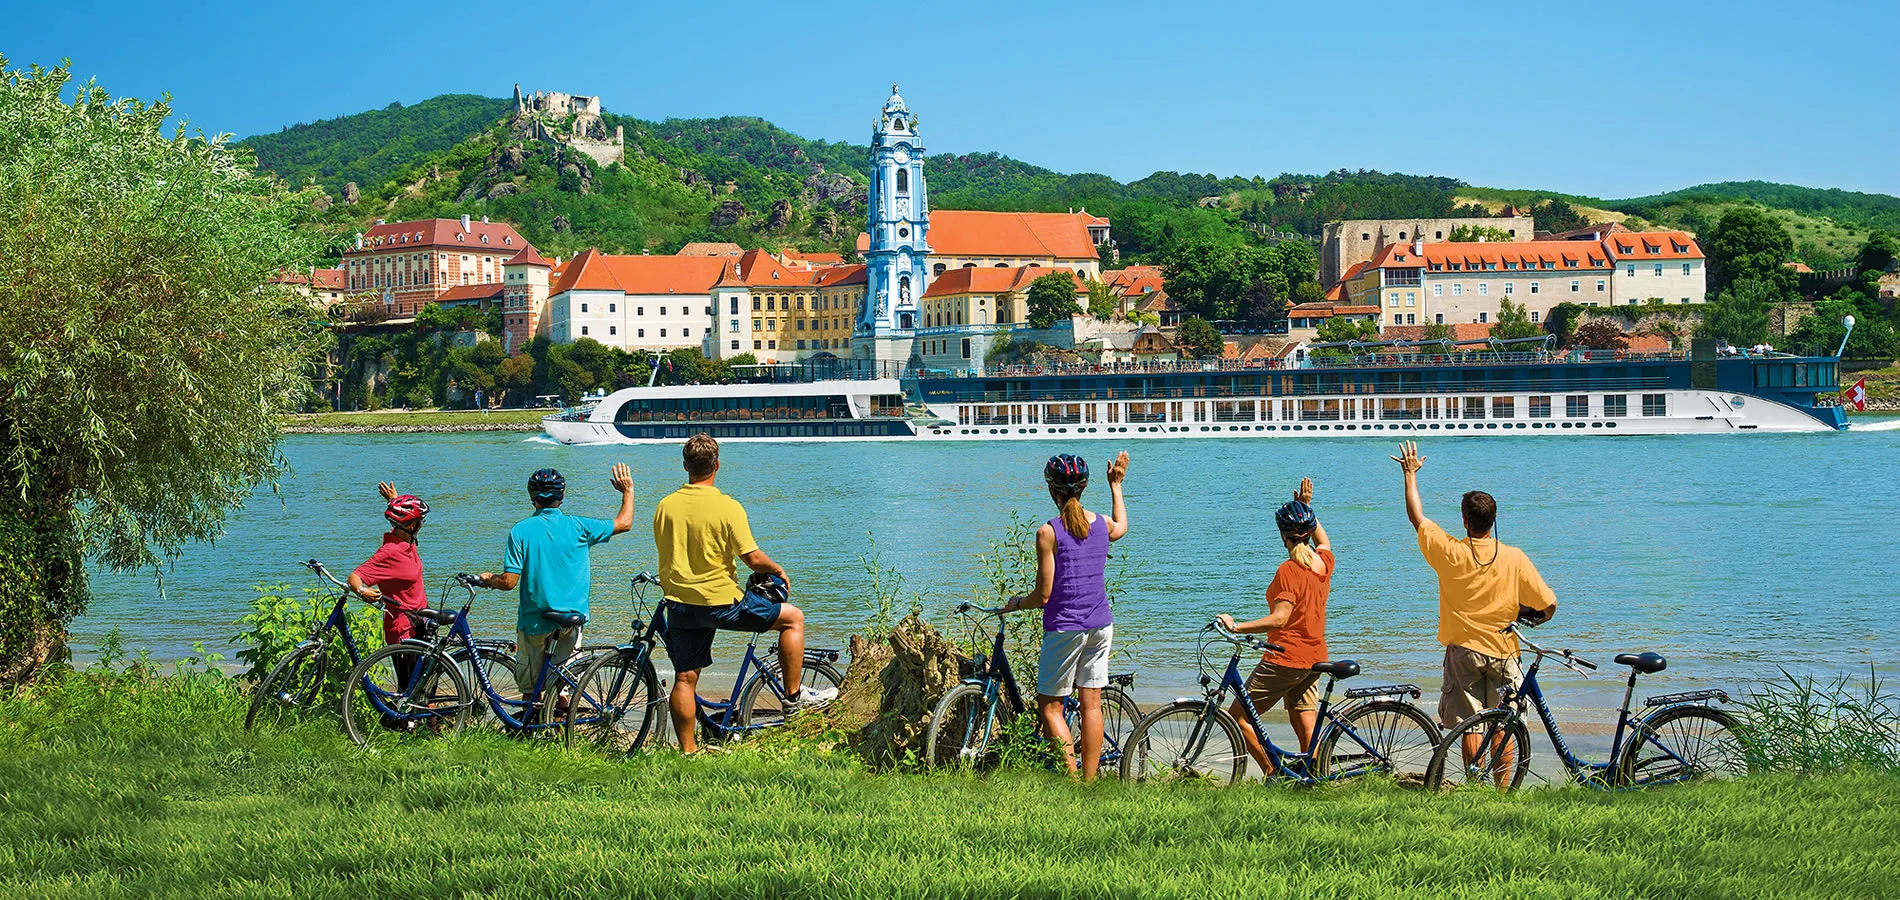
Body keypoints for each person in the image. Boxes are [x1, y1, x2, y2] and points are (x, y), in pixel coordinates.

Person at [653, 434, 834, 754]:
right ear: (717, 465)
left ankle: (688, 752)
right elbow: (751, 558)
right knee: (793, 619)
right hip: (720, 602)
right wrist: (777, 570)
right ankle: (794, 698)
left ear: (685, 467)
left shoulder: (665, 506)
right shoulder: (727, 506)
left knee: (684, 679)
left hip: (680, 604)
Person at [1391, 440, 1556, 774]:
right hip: (1505, 651)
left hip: (1463, 650)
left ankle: (1473, 781)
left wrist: (1410, 474)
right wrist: (1523, 614)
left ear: (1465, 521)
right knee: (1505, 723)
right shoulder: (1515, 557)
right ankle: (1504, 788)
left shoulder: (1451, 552)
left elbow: (1416, 517)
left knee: (1470, 724)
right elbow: (1549, 605)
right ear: (1494, 522)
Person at [1002, 451, 1130, 781]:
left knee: (1050, 707)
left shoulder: (1049, 532)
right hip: (1101, 624)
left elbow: (1043, 596)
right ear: (1084, 488)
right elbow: (1122, 527)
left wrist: (1016, 603)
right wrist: (1116, 486)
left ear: (1051, 489)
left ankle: (1070, 779)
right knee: (1091, 705)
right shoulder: (1101, 523)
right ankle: (1089, 783)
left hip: (1064, 628)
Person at [479, 464, 635, 705]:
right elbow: (624, 523)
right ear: (562, 496)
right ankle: (562, 732)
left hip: (535, 622)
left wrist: (490, 580)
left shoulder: (520, 531)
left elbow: (509, 582)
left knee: (532, 690)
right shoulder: (580, 527)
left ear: (532, 498)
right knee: (561, 688)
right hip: (571, 620)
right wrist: (628, 491)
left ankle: (533, 732)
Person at [1215, 477, 1331, 773]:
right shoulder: (1322, 564)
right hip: (1315, 657)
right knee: (1303, 718)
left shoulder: (1289, 570)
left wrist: (1237, 626)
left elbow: (1280, 618)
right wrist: (1307, 508)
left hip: (1285, 657)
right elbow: (1324, 542)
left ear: (1283, 536)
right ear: (1307, 532)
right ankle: (1312, 778)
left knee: (1238, 717)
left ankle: (1273, 773)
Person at [348, 483, 431, 695]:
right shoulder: (389, 553)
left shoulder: (407, 543)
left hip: (422, 623)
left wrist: (393, 501)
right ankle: (409, 726)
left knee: (428, 684)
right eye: (420, 521)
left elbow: (402, 523)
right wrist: (362, 591)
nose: (422, 524)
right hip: (404, 630)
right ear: (412, 526)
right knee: (411, 691)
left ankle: (432, 726)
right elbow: (355, 577)